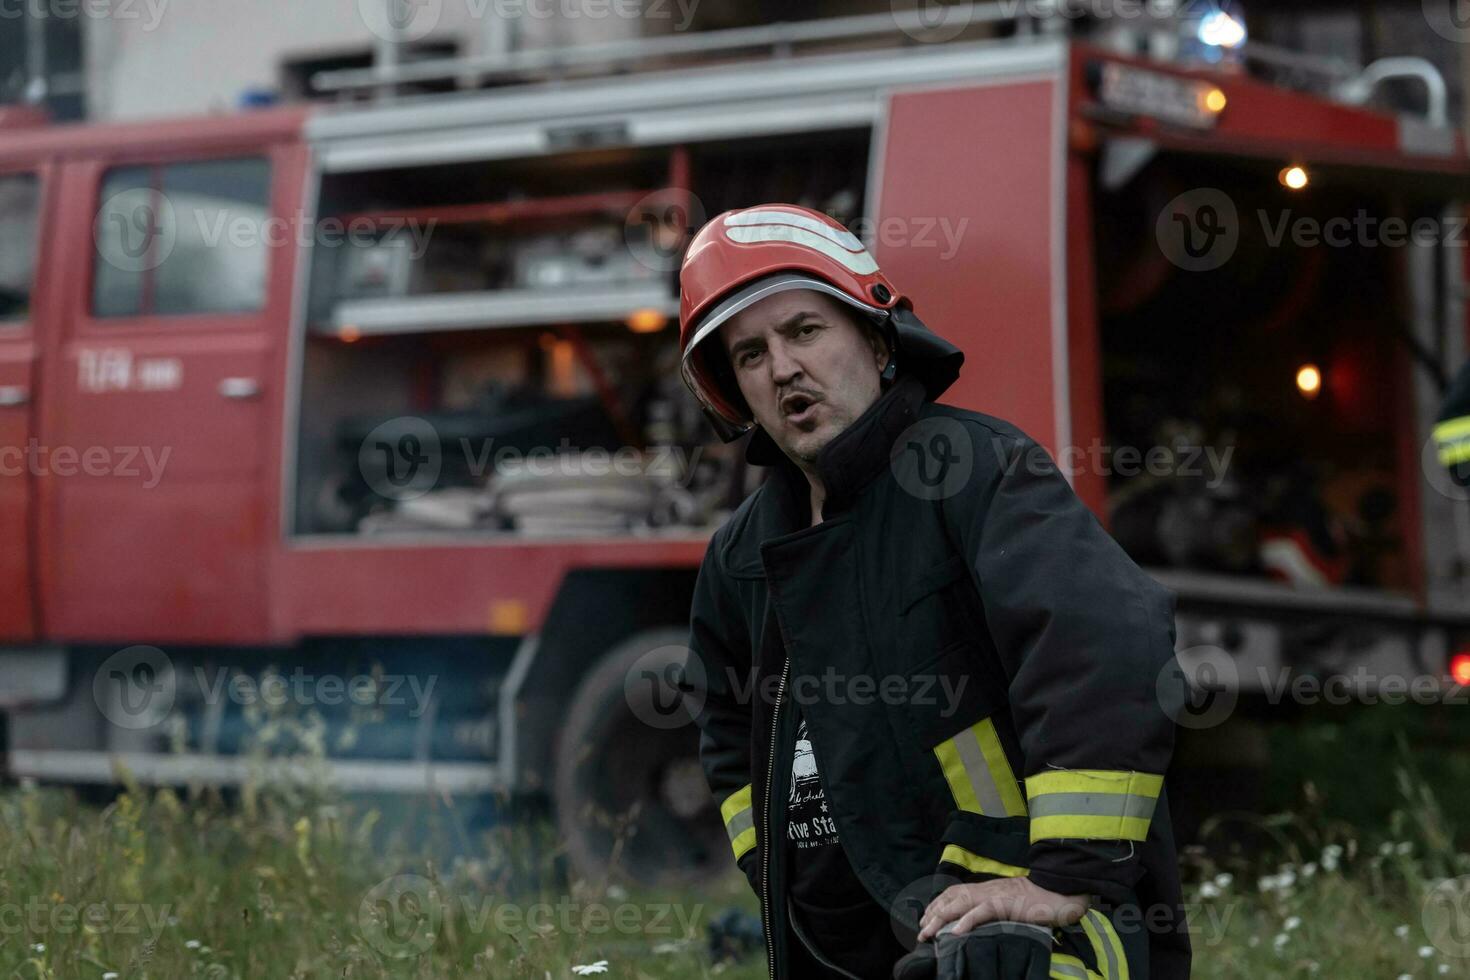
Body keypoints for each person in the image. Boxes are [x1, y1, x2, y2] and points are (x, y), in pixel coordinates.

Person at [678, 204, 1189, 980]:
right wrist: (774, 873)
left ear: (876, 339)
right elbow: (724, 730)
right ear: (734, 391)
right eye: (750, 354)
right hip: (838, 947)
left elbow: (1106, 645)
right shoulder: (742, 554)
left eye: (804, 332)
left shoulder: (971, 471)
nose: (782, 369)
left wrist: (1064, 878)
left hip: (1021, 935)